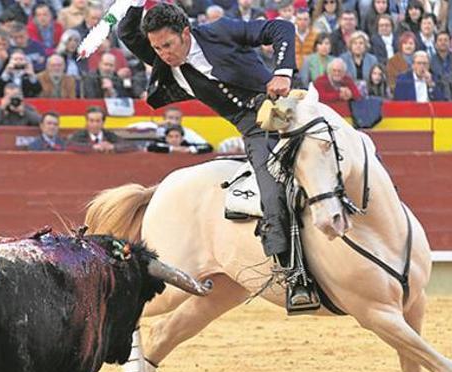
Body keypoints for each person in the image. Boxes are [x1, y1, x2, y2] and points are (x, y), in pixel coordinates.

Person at [118, 1, 311, 305]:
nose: (163, 54)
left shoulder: (219, 31)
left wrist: (283, 72)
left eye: (168, 45)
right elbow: (126, 31)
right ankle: (295, 275)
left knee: (349, 146)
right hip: (255, 128)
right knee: (271, 189)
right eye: (156, 49)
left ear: (185, 33)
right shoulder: (163, 60)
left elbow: (281, 28)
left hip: (287, 105)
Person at [147, 125, 213, 154]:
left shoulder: (186, 144)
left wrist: (190, 150)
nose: (174, 139)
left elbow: (209, 147)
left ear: (181, 138)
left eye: (177, 136)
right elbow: (151, 147)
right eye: (170, 136)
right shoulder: (160, 143)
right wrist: (173, 149)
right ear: (166, 138)